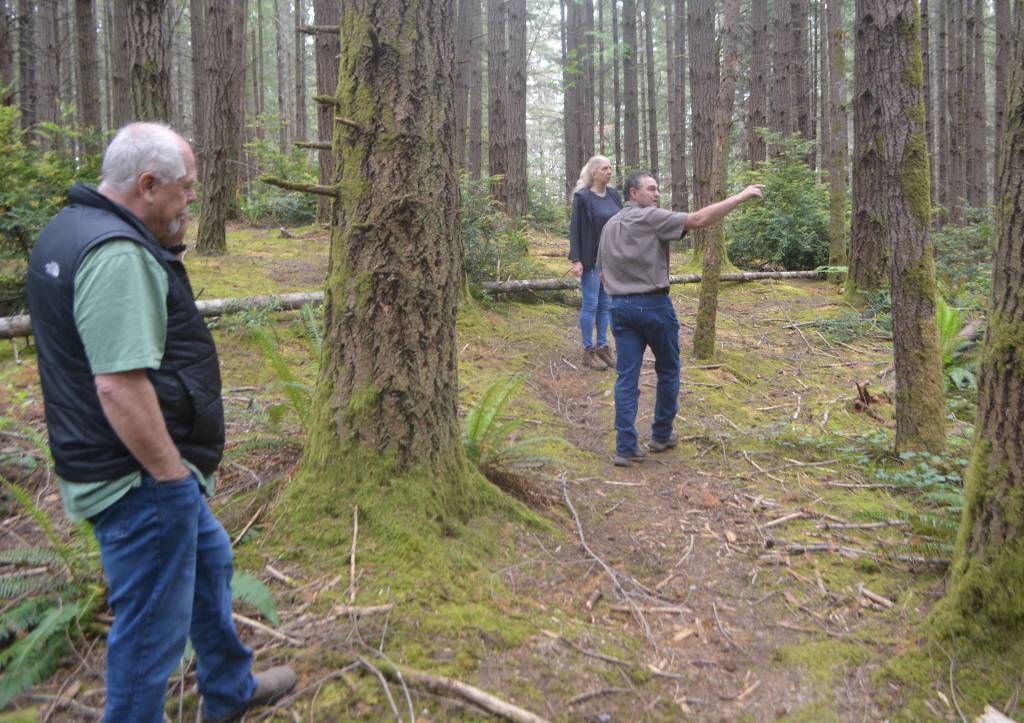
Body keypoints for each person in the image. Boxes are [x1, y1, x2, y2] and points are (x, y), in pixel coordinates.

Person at [26, 123, 296, 723]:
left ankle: (228, 688)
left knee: (211, 559)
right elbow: (118, 386)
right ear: (147, 185)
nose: (191, 201)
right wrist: (172, 478)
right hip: (139, 477)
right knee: (151, 635)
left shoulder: (65, 230)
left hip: (127, 462)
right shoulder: (117, 255)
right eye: (185, 190)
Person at [598, 171, 764, 467]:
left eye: (658, 189)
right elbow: (700, 220)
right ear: (633, 194)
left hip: (619, 307)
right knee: (669, 369)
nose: (657, 194)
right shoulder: (649, 217)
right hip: (652, 306)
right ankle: (661, 435)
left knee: (626, 376)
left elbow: (601, 272)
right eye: (651, 189)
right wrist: (740, 196)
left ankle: (625, 447)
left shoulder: (609, 225)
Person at [568, 155, 622, 370]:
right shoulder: (582, 197)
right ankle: (588, 350)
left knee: (606, 305)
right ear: (593, 172)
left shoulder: (614, 195)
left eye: (610, 168)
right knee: (591, 304)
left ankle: (603, 347)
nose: (609, 172)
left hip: (612, 259)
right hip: (591, 259)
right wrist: (576, 259)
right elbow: (575, 230)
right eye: (604, 169)